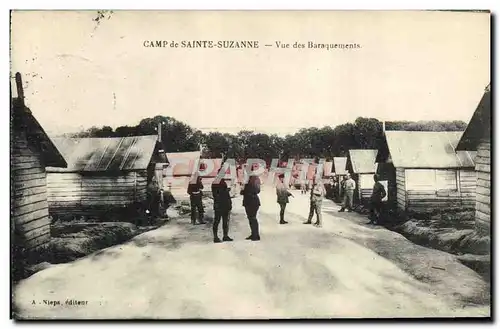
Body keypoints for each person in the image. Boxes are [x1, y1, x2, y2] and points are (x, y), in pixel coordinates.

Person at [241, 164, 261, 241]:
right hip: (250, 200)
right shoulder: (251, 178)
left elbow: (257, 190)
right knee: (251, 218)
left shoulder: (254, 178)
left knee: (252, 218)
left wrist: (245, 191)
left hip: (252, 201)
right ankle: (254, 234)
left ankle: (255, 235)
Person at [212, 176, 233, 243]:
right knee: (217, 221)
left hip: (225, 205)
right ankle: (215, 237)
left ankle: (225, 236)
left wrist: (229, 204)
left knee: (225, 221)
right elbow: (216, 194)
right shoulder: (215, 182)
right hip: (219, 205)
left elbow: (226, 195)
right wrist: (225, 191)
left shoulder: (223, 182)